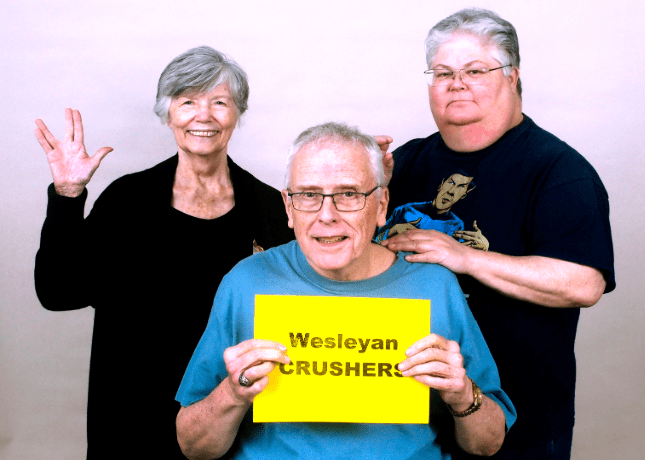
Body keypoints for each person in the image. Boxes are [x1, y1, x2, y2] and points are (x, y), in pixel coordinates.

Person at [175, 122, 517, 459]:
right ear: (288, 208)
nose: (327, 215)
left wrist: (461, 394)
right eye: (308, 195)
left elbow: (487, 444)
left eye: (349, 194)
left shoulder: (434, 286)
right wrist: (233, 394)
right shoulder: (246, 281)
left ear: (382, 205)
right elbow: (194, 448)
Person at [33, 46, 294, 459]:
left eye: (219, 102)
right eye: (187, 101)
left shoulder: (270, 209)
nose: (203, 116)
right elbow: (58, 292)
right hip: (130, 425)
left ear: (237, 113)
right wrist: (68, 195)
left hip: (232, 426)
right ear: (167, 113)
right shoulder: (126, 201)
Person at [378, 8, 616, 459]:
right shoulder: (405, 163)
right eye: (443, 72)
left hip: (517, 422)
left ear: (513, 76)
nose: (456, 82)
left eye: (475, 70)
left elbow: (584, 283)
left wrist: (465, 257)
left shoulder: (558, 171)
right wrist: (362, 186)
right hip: (406, 417)